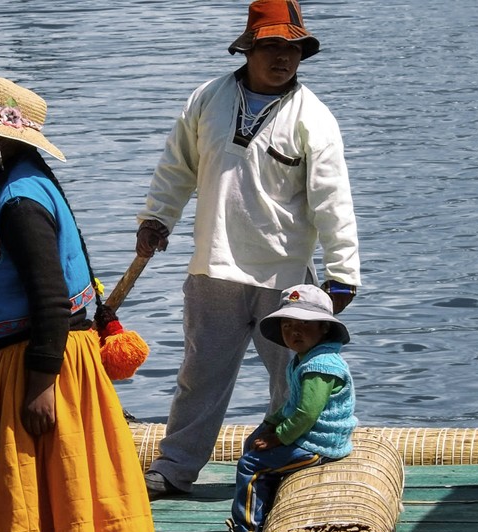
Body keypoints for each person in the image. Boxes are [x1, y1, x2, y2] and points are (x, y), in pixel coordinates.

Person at [136, 0, 361, 499]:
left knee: (293, 383)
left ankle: (291, 467)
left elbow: (333, 199)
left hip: (284, 280)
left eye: (293, 48)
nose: (283, 57)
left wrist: (342, 272)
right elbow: (178, 166)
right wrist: (157, 217)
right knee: (200, 376)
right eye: (273, 46)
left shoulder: (314, 119)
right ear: (249, 48)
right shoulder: (208, 99)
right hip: (211, 268)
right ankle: (174, 468)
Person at [0, 77, 158, 532]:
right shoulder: (9, 185)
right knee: (54, 489)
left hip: (40, 366)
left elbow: (50, 297)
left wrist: (39, 384)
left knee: (36, 490)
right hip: (38, 360)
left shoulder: (19, 203)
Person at [214, 284, 357, 532]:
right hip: (308, 434)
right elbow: (292, 405)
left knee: (250, 465)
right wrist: (269, 424)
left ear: (324, 327)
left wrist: (279, 437)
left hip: (320, 442)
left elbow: (306, 414)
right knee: (252, 443)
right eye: (287, 325)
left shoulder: (320, 366)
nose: (294, 332)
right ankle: (262, 509)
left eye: (304, 324)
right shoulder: (305, 359)